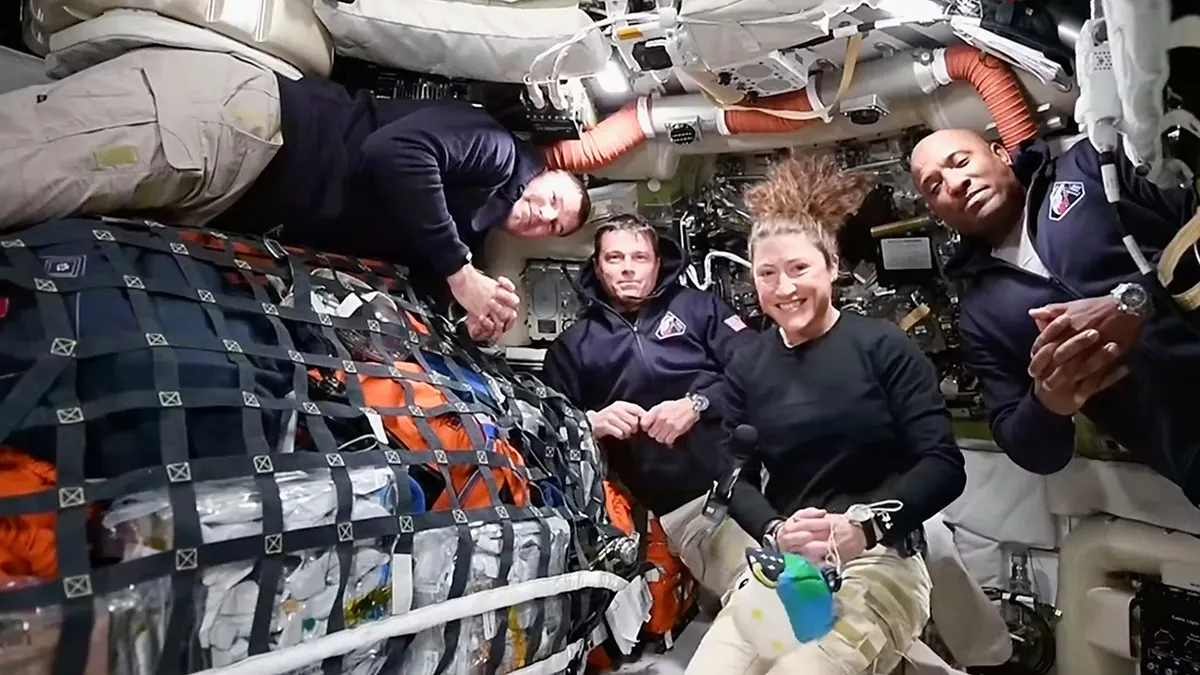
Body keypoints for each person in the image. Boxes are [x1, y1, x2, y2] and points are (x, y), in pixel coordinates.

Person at [0, 48, 590, 338]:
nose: (544, 217)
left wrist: (472, 320)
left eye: (554, 229)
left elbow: (417, 271)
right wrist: (461, 273)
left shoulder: (465, 226)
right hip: (236, 131)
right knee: (28, 168)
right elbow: (396, 154)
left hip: (231, 191)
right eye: (553, 200)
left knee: (38, 201)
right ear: (541, 171)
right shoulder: (496, 150)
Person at [686, 155, 967, 675]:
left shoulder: (883, 347)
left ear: (832, 268)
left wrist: (865, 527)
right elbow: (733, 477)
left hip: (880, 558)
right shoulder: (748, 365)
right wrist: (774, 529)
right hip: (789, 565)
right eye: (767, 274)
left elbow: (944, 465)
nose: (784, 288)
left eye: (799, 269)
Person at [910, 128, 1200, 505]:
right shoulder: (980, 316)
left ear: (1001, 154)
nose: (955, 183)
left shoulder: (1092, 165)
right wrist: (1048, 402)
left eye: (961, 162)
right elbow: (1033, 453)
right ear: (936, 211)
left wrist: (1137, 300)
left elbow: (1193, 222)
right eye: (935, 186)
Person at [541, 214, 760, 597]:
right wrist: (590, 423)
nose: (628, 268)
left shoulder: (700, 309)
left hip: (754, 477)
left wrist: (698, 404)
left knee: (818, 582)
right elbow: (545, 433)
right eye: (614, 258)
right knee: (762, 592)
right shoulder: (573, 346)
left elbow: (759, 370)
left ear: (657, 263)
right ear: (598, 267)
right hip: (687, 507)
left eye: (639, 257)